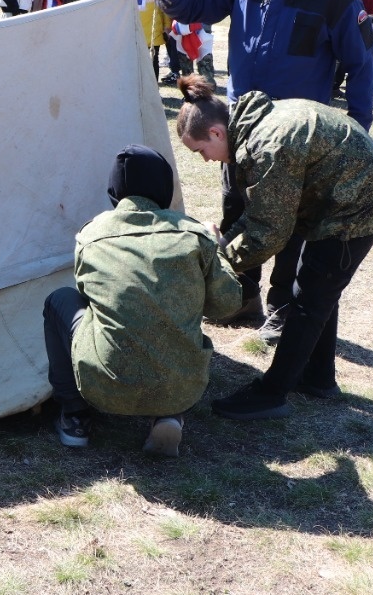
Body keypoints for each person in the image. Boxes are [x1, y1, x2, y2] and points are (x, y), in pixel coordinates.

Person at [135, 0, 373, 337]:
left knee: (292, 223)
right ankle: (239, 296)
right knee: (236, 208)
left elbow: (361, 63)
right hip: (241, 128)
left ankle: (281, 307)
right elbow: (203, 0)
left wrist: (358, 126)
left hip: (296, 140)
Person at [175, 76, 373, 420]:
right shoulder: (253, 127)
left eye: (200, 150)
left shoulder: (269, 144)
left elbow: (269, 232)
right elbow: (263, 212)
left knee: (310, 298)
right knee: (316, 289)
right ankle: (318, 377)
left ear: (217, 133)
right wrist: (226, 240)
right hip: (335, 197)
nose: (204, 160)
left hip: (357, 204)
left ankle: (272, 393)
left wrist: (219, 260)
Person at [43, 145, 240, 454]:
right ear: (164, 186)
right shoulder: (194, 235)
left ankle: (74, 416)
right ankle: (168, 413)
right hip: (182, 385)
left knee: (60, 300)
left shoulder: (91, 234)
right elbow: (227, 304)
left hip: (106, 384)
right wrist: (216, 247)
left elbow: (90, 296)